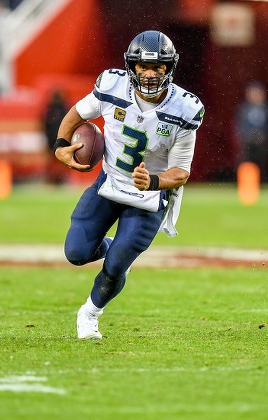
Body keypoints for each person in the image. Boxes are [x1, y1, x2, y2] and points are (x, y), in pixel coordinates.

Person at [54, 30, 205, 339]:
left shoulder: (185, 109)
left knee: (114, 268)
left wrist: (153, 181)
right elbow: (78, 112)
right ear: (131, 67)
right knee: (76, 252)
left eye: (157, 67)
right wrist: (60, 144)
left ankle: (90, 314)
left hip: (149, 197)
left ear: (169, 68)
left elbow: (181, 171)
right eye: (143, 67)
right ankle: (115, 251)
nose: (149, 75)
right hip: (109, 183)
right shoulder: (112, 86)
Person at [235, 81, 268, 182]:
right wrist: (247, 136)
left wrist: (263, 136)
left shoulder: (265, 109)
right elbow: (240, 126)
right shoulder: (244, 109)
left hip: (264, 144)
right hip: (248, 144)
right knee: (246, 163)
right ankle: (247, 183)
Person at [42, 89, 69, 183]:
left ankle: (58, 178)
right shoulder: (61, 108)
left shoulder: (52, 108)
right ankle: (55, 178)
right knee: (58, 160)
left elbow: (44, 123)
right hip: (57, 138)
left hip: (55, 137)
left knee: (57, 160)